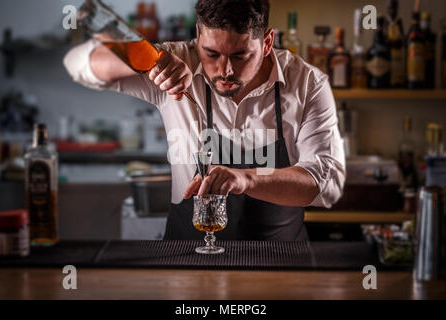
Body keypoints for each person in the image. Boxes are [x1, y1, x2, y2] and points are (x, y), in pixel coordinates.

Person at [63, 0, 345, 241]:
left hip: (279, 267)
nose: (225, 70)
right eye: (211, 54)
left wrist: (249, 178)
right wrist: (153, 63)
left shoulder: (307, 83)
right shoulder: (175, 60)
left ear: (268, 42)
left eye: (240, 55)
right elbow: (78, 64)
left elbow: (327, 182)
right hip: (187, 262)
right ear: (198, 35)